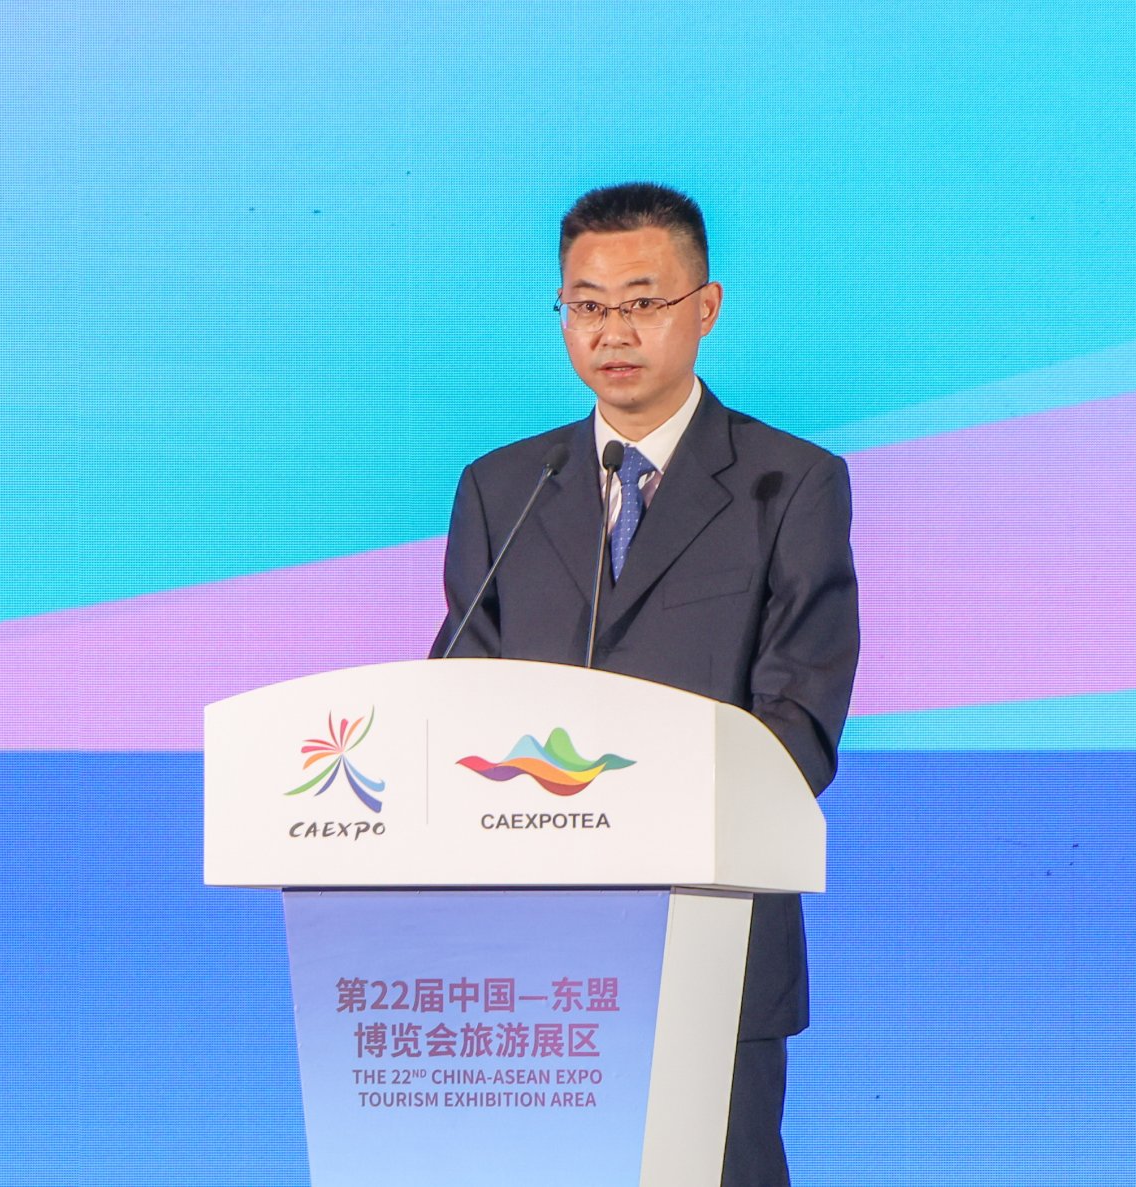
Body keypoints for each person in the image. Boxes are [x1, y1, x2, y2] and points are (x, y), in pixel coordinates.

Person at [430, 182, 859, 1186]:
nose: (611, 331)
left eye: (640, 302)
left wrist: (634, 808)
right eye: (585, 304)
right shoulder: (504, 487)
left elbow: (797, 723)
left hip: (711, 935)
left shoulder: (787, 483)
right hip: (531, 954)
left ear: (704, 308)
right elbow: (455, 701)